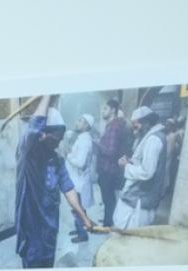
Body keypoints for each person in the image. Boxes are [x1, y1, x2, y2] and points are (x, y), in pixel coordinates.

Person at [14, 99, 96, 268]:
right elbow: (33, 127)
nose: (59, 142)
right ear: (43, 134)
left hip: (50, 225)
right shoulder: (27, 153)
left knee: (47, 263)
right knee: (32, 265)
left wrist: (83, 217)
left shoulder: (56, 159)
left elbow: (68, 188)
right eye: (56, 138)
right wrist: (47, 94)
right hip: (31, 225)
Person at [113, 107, 168, 231]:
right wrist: (130, 162)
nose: (134, 127)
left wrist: (126, 166)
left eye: (136, 123)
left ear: (147, 122)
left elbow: (147, 172)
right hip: (139, 196)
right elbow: (146, 163)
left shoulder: (153, 140)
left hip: (140, 199)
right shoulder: (150, 137)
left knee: (130, 233)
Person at [96, 99, 132, 228]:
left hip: (108, 169)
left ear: (113, 110)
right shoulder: (113, 125)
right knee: (109, 198)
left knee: (108, 198)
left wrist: (97, 145)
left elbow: (111, 151)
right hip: (110, 168)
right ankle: (108, 220)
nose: (102, 111)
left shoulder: (114, 127)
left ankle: (108, 224)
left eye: (105, 108)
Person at [65, 115, 96, 241]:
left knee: (77, 208)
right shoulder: (82, 138)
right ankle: (80, 228)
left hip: (80, 181)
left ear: (87, 125)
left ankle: (82, 235)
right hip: (77, 179)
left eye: (80, 121)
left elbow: (81, 163)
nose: (77, 123)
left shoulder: (85, 141)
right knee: (77, 207)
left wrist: (68, 156)